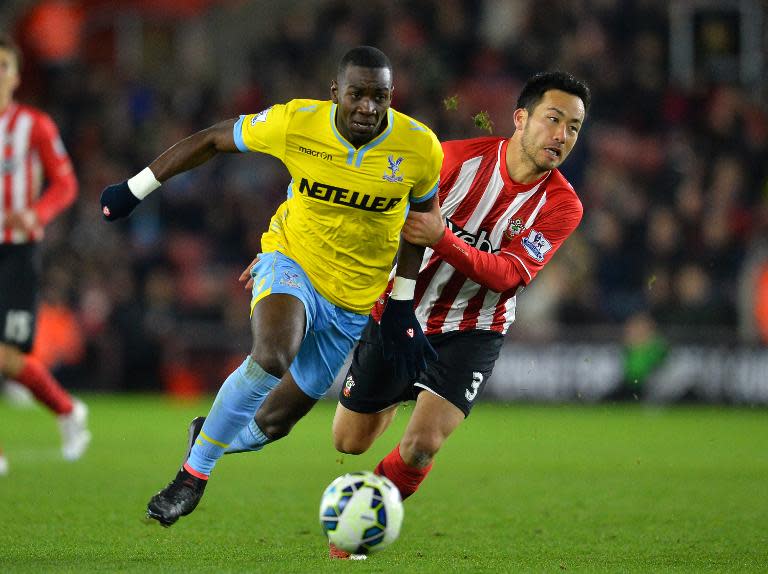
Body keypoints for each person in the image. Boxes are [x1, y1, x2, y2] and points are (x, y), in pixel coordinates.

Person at [99, 46, 443, 527]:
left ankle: (208, 433)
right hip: (291, 261)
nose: (368, 106)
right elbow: (215, 138)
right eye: (357, 94)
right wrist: (134, 189)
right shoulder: (296, 122)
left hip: (354, 300)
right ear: (334, 94)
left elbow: (423, 222)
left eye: (379, 96)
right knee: (272, 355)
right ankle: (191, 477)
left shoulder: (419, 146)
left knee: (272, 425)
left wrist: (402, 303)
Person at [330, 71, 591, 558]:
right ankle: (397, 395)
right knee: (349, 441)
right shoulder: (453, 159)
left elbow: (509, 275)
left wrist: (443, 238)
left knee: (422, 444)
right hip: (402, 310)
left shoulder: (562, 205)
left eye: (573, 128)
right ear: (520, 118)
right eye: (553, 120)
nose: (561, 136)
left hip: (475, 327)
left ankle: (357, 527)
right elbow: (380, 215)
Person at [0, 34, 89, 470]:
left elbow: (66, 183)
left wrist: (36, 213)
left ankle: (68, 410)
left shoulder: (33, 125)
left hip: (17, 254)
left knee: (8, 357)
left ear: (16, 76)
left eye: (3, 66)